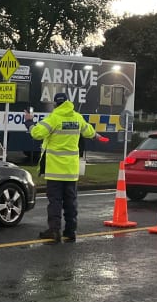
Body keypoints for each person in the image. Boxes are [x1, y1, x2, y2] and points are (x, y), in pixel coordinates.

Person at [24, 93, 107, 242]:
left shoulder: (53, 118)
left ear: (56, 104)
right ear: (68, 102)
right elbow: (88, 131)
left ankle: (54, 231)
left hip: (55, 170)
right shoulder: (77, 117)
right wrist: (98, 137)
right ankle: (70, 231)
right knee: (71, 201)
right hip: (71, 170)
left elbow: (36, 134)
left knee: (55, 201)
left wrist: (29, 122)